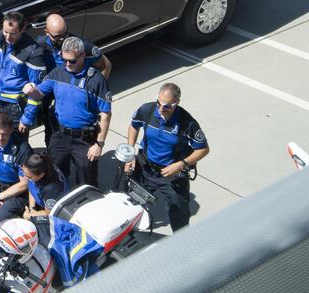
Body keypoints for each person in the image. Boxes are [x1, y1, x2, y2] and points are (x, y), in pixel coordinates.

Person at [25, 36, 111, 187]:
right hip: (60, 135)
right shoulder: (57, 73)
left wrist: (99, 144)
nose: (67, 64)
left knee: (87, 183)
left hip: (85, 139)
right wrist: (29, 90)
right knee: (54, 175)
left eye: (72, 61)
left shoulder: (96, 79)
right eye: (64, 59)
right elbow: (39, 93)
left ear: (83, 56)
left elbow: (105, 114)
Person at [125, 83, 209, 231]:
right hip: (145, 168)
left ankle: (181, 244)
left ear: (176, 103)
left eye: (167, 106)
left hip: (172, 174)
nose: (161, 108)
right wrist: (130, 151)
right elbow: (133, 126)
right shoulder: (147, 110)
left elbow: (203, 149)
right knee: (132, 204)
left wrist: (181, 164)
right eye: (159, 103)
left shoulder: (186, 122)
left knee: (179, 217)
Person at [38, 13, 111, 147]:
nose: (63, 39)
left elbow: (105, 65)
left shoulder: (83, 47)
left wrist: (96, 91)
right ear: (46, 32)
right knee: (51, 133)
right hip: (53, 94)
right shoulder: (40, 45)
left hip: (78, 96)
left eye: (65, 34)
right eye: (57, 37)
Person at [0, 11, 47, 135]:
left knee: (17, 146)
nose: (8, 37)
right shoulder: (1, 37)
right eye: (5, 31)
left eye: (13, 33)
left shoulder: (33, 52)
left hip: (15, 108)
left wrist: (26, 119)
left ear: (23, 29)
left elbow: (37, 92)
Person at [0, 112, 32, 221]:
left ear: (11, 129)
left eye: (4, 134)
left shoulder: (23, 149)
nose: (0, 138)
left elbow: (25, 184)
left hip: (17, 191)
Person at [22, 152, 68, 246]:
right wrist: (32, 209)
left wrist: (30, 216)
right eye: (24, 172)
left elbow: (50, 213)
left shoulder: (52, 190)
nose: (25, 177)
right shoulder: (38, 171)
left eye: (28, 176)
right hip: (39, 206)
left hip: (56, 216)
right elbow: (32, 188)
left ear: (41, 175)